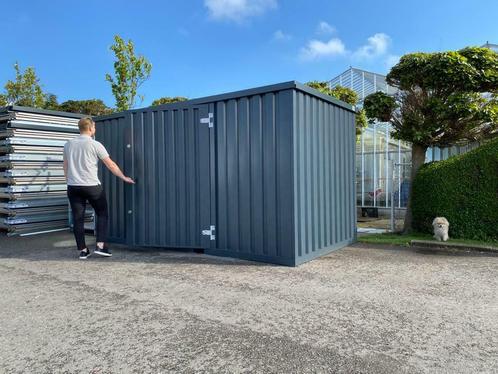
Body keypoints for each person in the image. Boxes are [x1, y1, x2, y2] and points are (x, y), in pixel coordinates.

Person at [63, 117, 134, 259]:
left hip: (73, 187)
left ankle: (83, 250)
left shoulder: (68, 145)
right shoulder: (95, 144)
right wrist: (124, 177)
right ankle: (101, 246)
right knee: (102, 213)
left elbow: (65, 166)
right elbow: (110, 164)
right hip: (91, 186)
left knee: (78, 218)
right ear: (90, 128)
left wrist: (69, 181)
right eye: (94, 127)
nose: (94, 129)